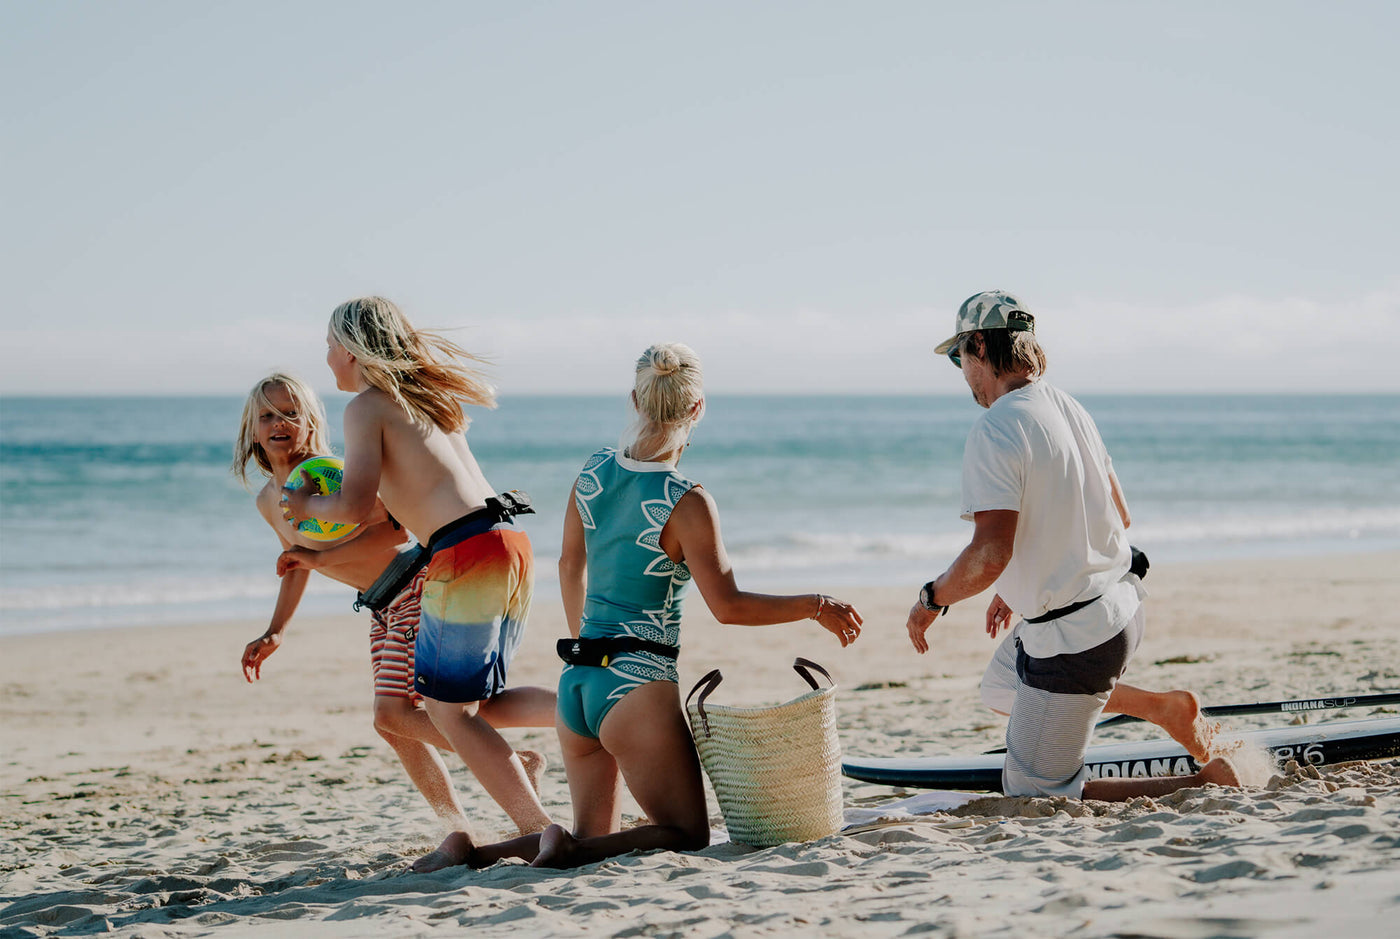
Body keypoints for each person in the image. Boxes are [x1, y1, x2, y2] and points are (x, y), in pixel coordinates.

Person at [463, 342, 865, 869]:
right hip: (637, 686)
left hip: (579, 680)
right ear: (697, 408)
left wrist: (588, 641)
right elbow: (729, 606)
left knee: (591, 839)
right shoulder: (686, 498)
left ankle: (470, 852)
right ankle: (551, 845)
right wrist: (815, 604)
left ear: (635, 398)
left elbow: (567, 564)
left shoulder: (593, 471)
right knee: (684, 832)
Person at [904, 291, 1238, 801]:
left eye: (959, 357)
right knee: (999, 687)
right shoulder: (1066, 405)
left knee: (1035, 789)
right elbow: (1117, 515)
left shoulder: (995, 427)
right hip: (1120, 608)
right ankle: (1162, 708)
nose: (961, 371)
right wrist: (1018, 588)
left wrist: (931, 600)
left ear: (978, 345)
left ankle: (1203, 782)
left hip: (1076, 642)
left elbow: (989, 554)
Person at [279, 298, 556, 871]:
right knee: (471, 703)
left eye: (330, 346)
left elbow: (354, 506)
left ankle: (540, 832)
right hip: (506, 542)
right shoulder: (428, 399)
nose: (327, 358)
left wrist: (307, 504)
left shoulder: (365, 407)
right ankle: (592, 709)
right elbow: (407, 494)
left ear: (352, 351)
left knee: (449, 711)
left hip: (464, 552)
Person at [234, 372, 511, 837]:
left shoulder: (330, 474)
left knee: (392, 715)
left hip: (415, 587)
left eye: (290, 413)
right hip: (381, 604)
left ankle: (508, 763)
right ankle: (456, 827)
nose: (279, 423)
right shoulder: (268, 500)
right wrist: (275, 629)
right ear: (252, 428)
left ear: (310, 422)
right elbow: (296, 564)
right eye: (267, 415)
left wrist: (318, 555)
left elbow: (394, 531)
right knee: (394, 725)